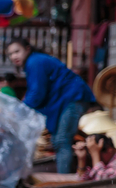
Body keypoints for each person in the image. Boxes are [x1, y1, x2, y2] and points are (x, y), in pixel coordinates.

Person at [6, 38, 95, 174]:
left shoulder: (35, 62)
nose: (14, 56)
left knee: (61, 140)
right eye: (11, 54)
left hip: (73, 98)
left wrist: (19, 112)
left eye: (17, 51)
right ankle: (68, 173)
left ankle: (63, 181)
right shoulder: (34, 62)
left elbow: (37, 93)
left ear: (27, 49)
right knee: (58, 140)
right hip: (68, 99)